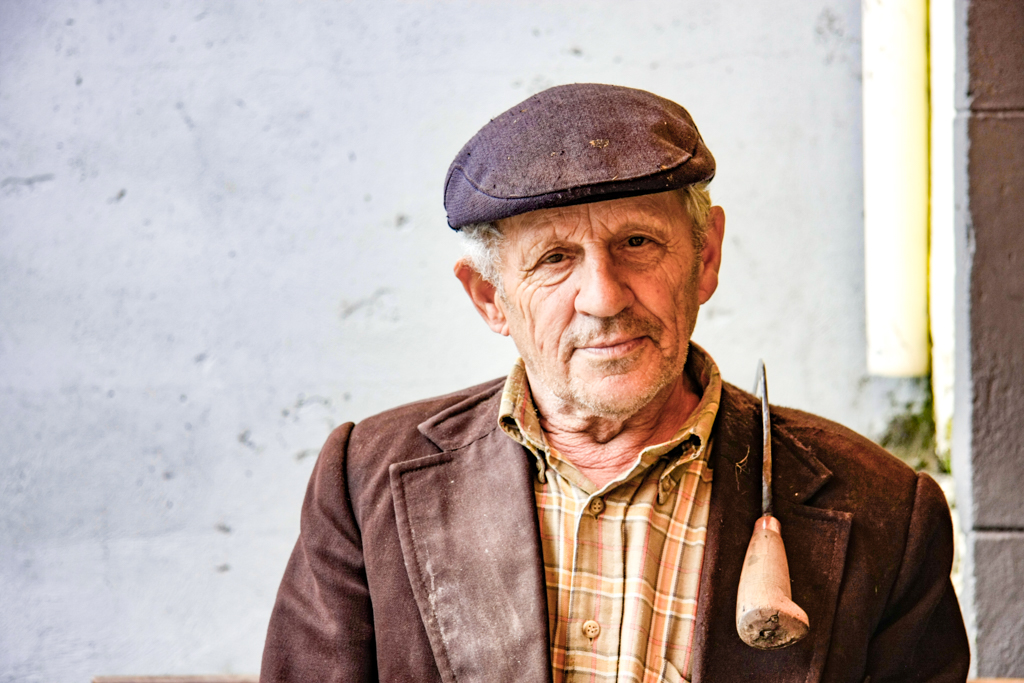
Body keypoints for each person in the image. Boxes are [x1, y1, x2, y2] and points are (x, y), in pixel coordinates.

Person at [260, 84, 969, 682]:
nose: (603, 296)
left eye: (637, 243)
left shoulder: (886, 512)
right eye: (555, 258)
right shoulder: (365, 483)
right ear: (489, 298)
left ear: (706, 256)